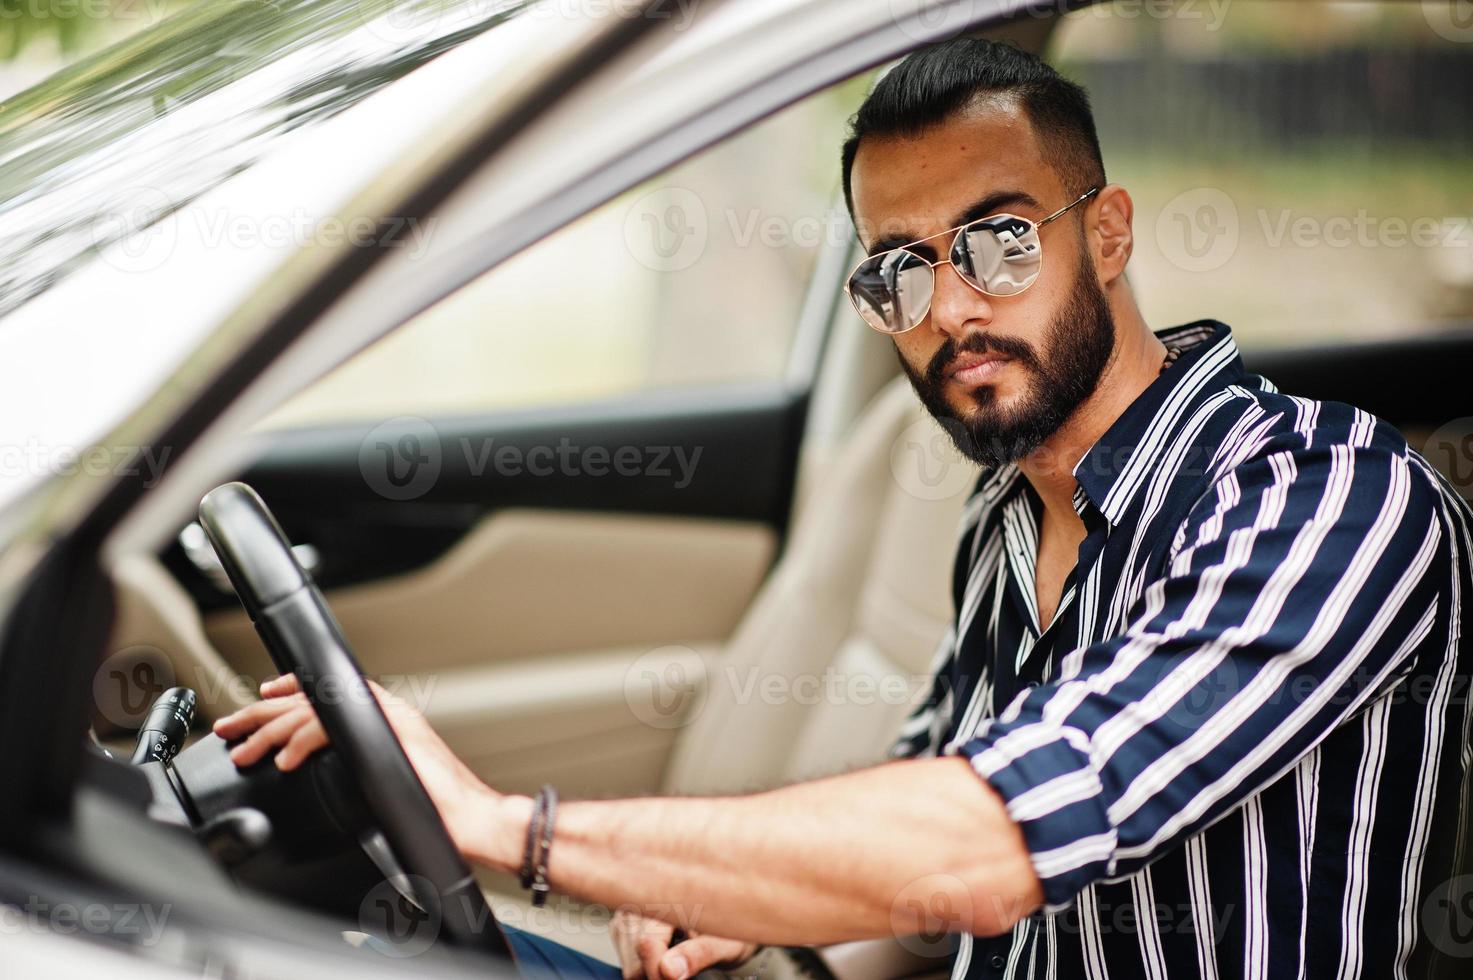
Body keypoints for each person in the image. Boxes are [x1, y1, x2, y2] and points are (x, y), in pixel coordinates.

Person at [215, 37, 1473, 980]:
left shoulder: (1328, 502)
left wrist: (510, 828)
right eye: (899, 268)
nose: (949, 309)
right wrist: (741, 896)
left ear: (1109, 234)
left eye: (999, 240)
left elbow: (990, 836)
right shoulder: (1009, 516)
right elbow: (931, 784)